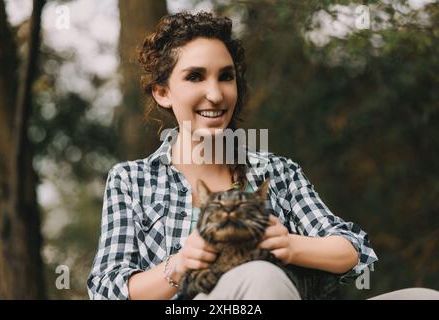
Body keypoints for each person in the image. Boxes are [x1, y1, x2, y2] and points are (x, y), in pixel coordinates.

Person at [87, 11, 438, 300]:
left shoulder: (276, 170)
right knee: (260, 277)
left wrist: (289, 244)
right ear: (162, 92)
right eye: (195, 77)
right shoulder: (132, 179)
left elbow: (352, 251)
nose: (215, 93)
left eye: (226, 77)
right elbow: (105, 289)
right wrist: (177, 266)